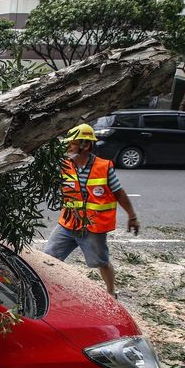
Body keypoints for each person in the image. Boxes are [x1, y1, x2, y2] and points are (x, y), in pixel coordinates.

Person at [43, 123, 139, 297]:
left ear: (86, 145)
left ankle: (111, 292)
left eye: (72, 143)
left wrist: (132, 216)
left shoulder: (103, 167)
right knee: (48, 257)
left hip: (93, 228)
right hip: (68, 224)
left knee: (101, 262)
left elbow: (119, 193)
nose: (68, 147)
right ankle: (48, 291)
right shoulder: (64, 165)